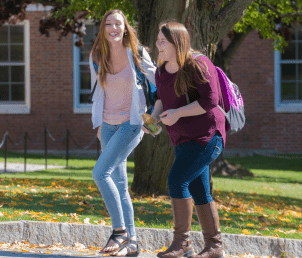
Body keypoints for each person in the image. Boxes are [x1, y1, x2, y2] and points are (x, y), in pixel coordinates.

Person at [143, 21, 226, 258]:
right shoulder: (161, 70)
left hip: (208, 136)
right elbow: (161, 99)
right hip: (182, 138)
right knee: (200, 190)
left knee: (177, 180)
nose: (157, 44)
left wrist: (178, 113)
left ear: (177, 43)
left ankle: (182, 243)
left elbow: (210, 100)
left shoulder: (198, 64)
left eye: (162, 41)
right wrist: (154, 119)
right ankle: (214, 246)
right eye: (158, 39)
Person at [89, 9, 156, 257]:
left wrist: (155, 114)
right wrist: (98, 124)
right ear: (103, 28)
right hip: (107, 125)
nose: (114, 28)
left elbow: (157, 79)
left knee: (99, 172)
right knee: (119, 183)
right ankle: (133, 242)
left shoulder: (137, 53)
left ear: (125, 27)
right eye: (109, 23)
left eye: (118, 23)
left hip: (132, 122)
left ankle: (119, 232)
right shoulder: (96, 55)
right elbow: (96, 91)